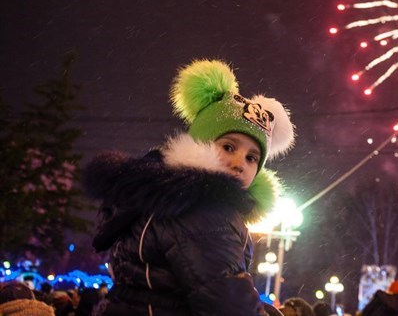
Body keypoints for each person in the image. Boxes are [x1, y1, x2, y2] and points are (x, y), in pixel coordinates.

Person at [83, 59, 295, 315]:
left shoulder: (168, 195)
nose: (240, 163)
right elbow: (226, 301)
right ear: (200, 144)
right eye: (228, 147)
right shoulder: (205, 210)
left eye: (252, 158)